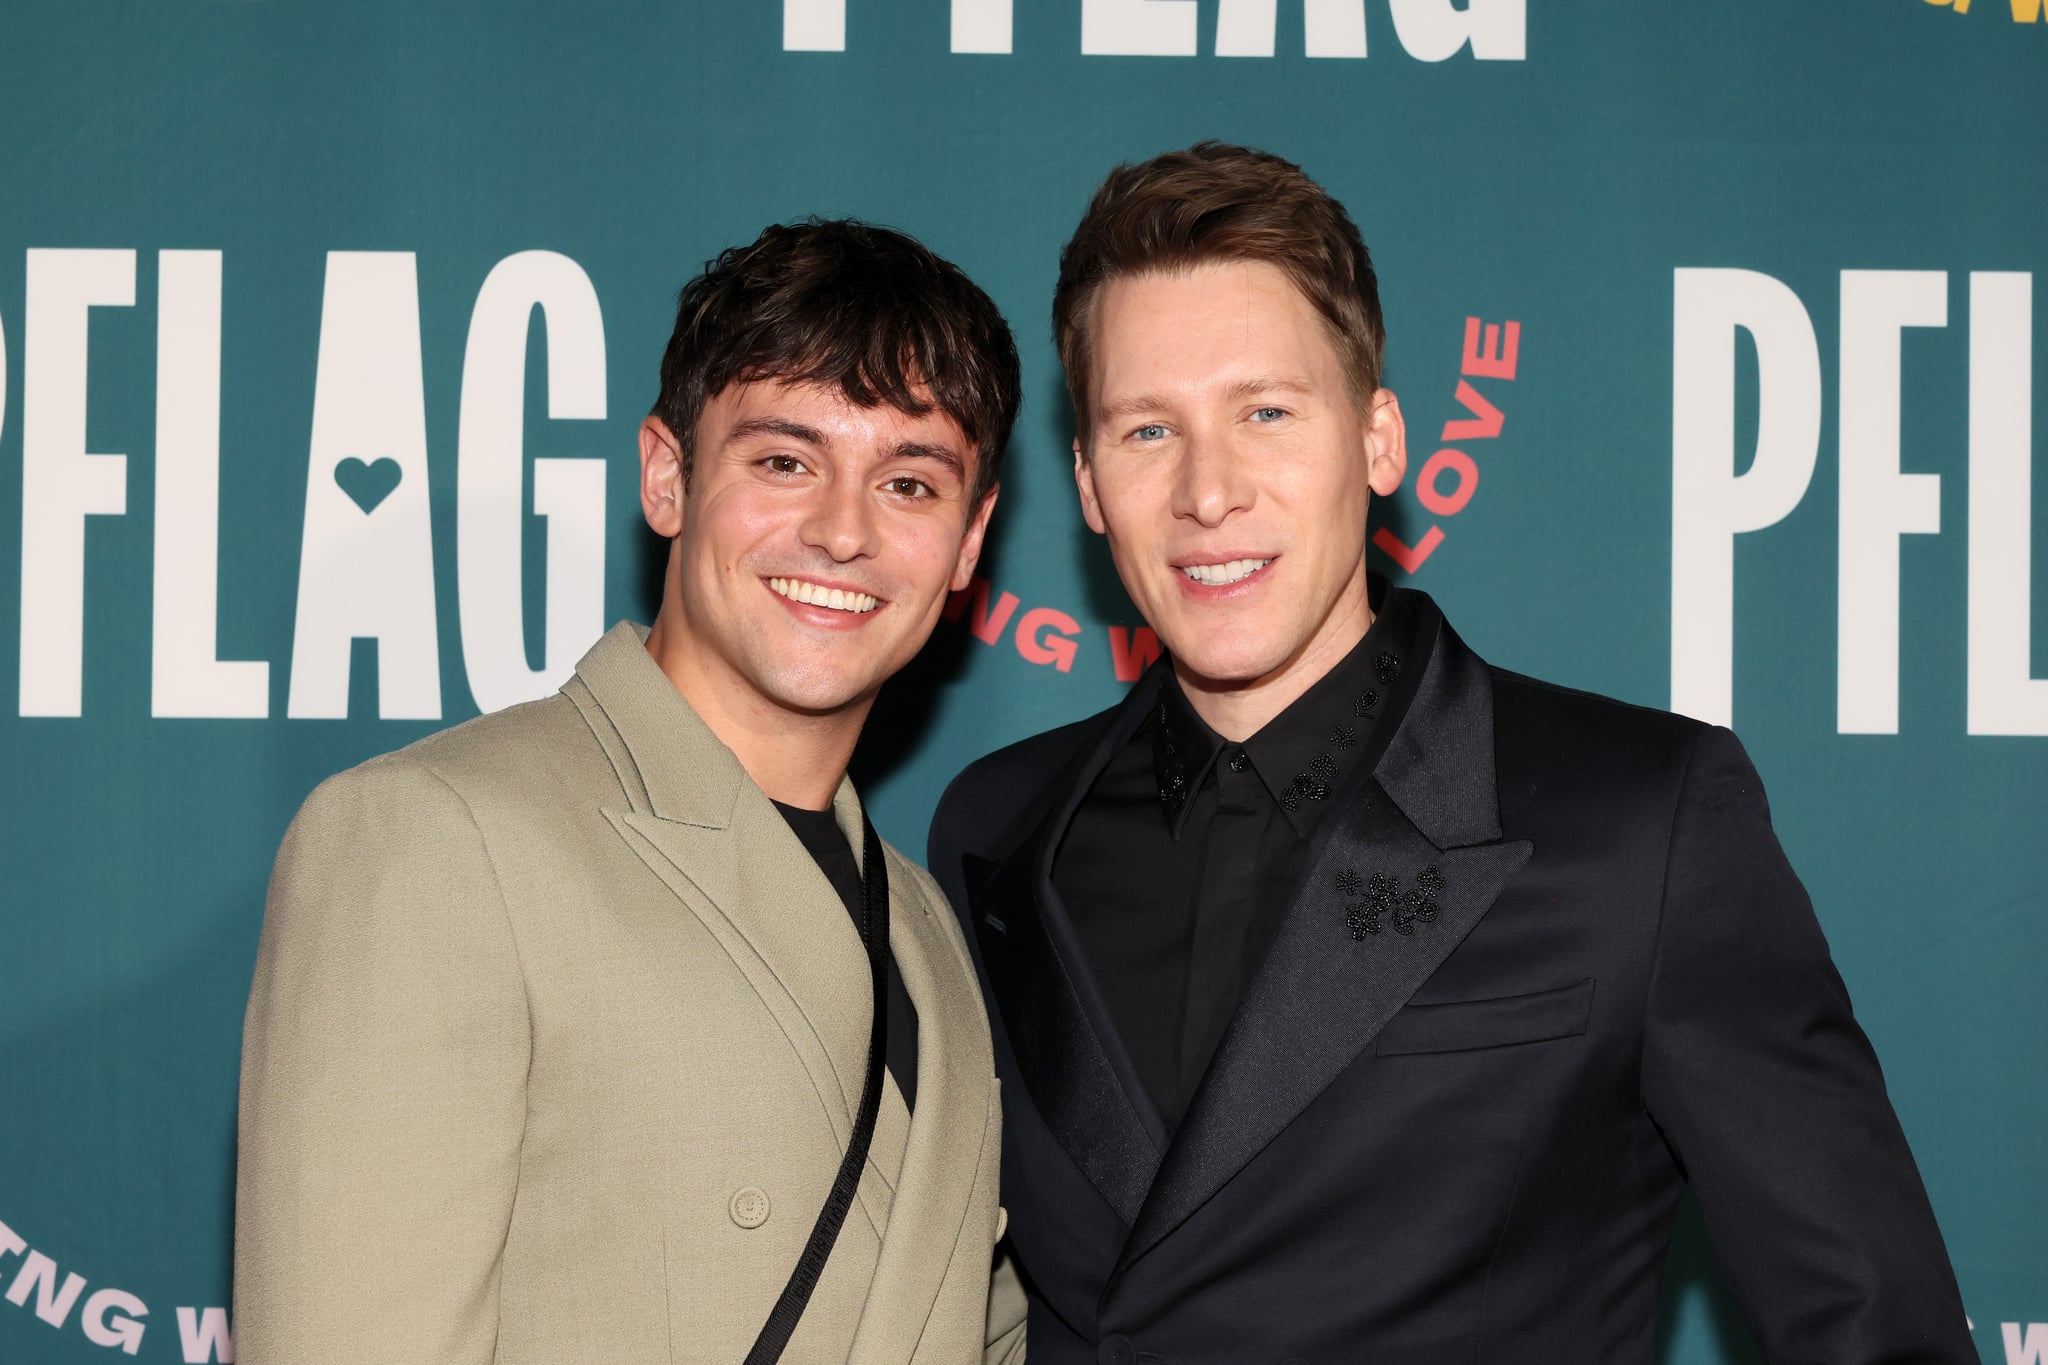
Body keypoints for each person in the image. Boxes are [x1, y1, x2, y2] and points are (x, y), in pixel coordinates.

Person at [928, 142, 1973, 1364]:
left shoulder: (1642, 824)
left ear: (1377, 444)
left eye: (1264, 412)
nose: (1206, 493)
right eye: (1147, 430)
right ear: (1088, 485)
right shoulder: (994, 831)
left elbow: (1871, 1330)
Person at [238, 219, 1027, 1364]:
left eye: (908, 483)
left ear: (968, 544)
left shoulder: (922, 928)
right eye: (783, 461)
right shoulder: (438, 841)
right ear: (668, 476)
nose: (842, 531)